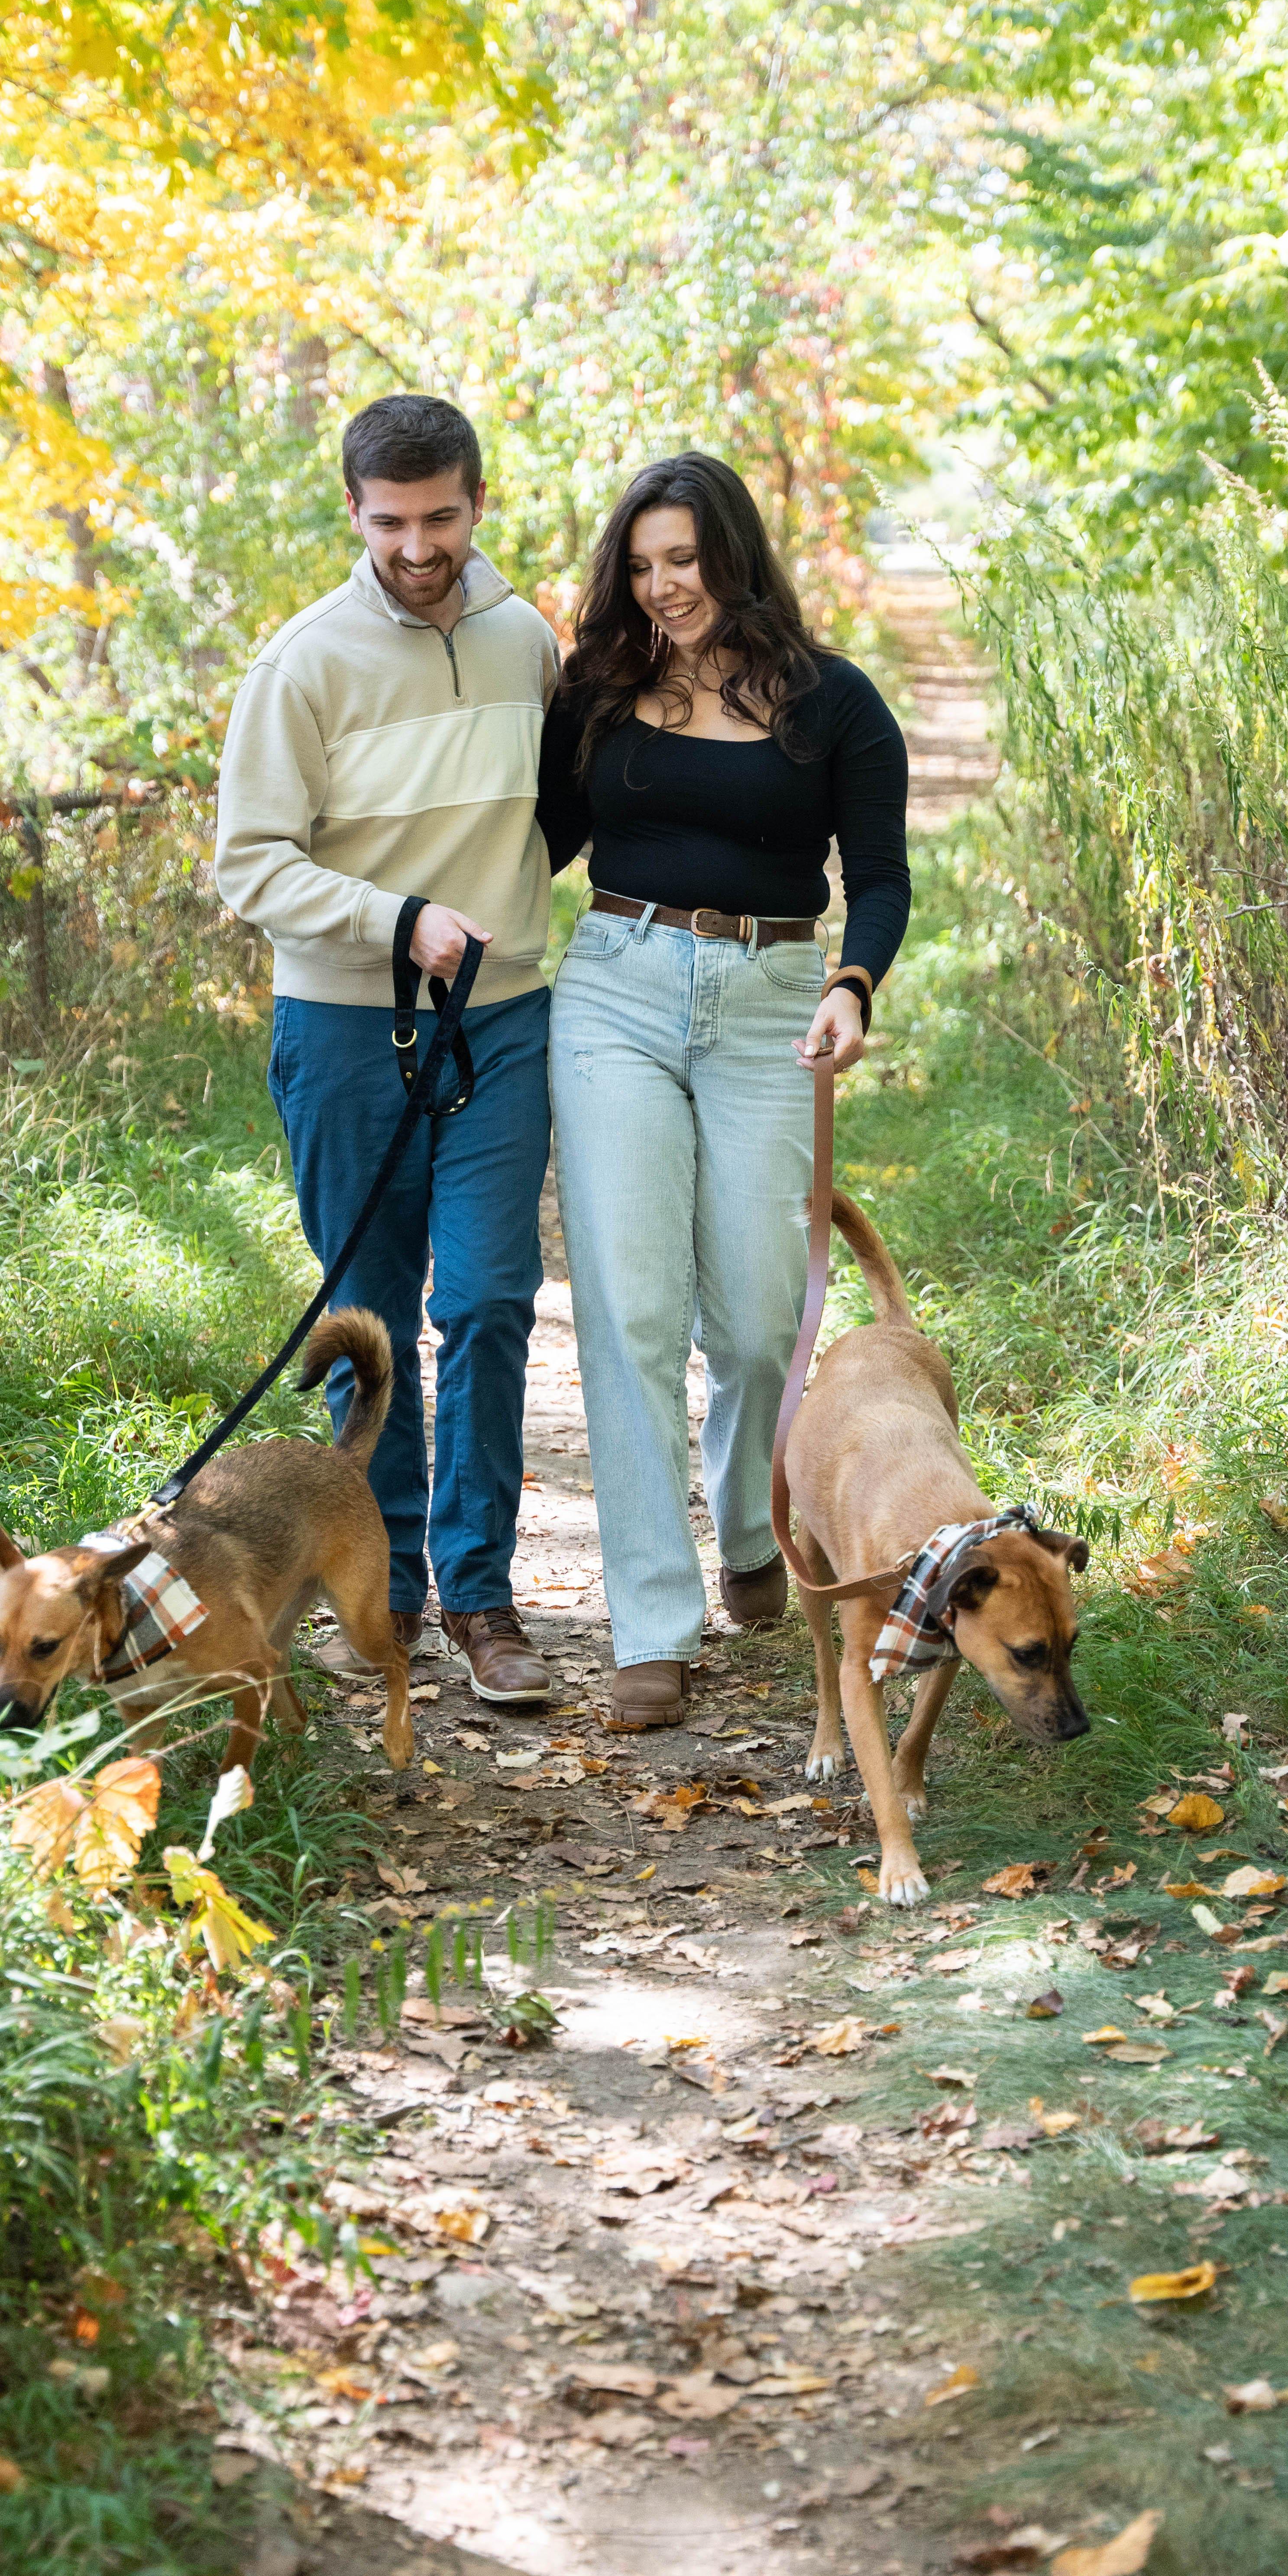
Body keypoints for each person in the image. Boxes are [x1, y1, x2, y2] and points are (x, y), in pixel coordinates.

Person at [537, 452, 911, 1730]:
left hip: (769, 1000)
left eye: (683, 562)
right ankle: (653, 1622)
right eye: (640, 569)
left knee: (759, 1322)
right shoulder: (597, 690)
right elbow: (527, 837)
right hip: (615, 990)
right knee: (632, 1309)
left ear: (734, 557)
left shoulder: (837, 705)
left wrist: (852, 985)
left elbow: (883, 873)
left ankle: (753, 1526)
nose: (662, 590)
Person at [210, 394, 557, 1705]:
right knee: (371, 1320)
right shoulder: (301, 664)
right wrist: (394, 919)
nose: (421, 546)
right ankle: (388, 1583)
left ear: (478, 503)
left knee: (485, 1303)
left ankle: (480, 1595)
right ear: (354, 513)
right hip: (346, 1030)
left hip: (503, 1020)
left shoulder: (527, 640)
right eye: (393, 522)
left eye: (443, 518)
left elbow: (551, 809)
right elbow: (250, 865)